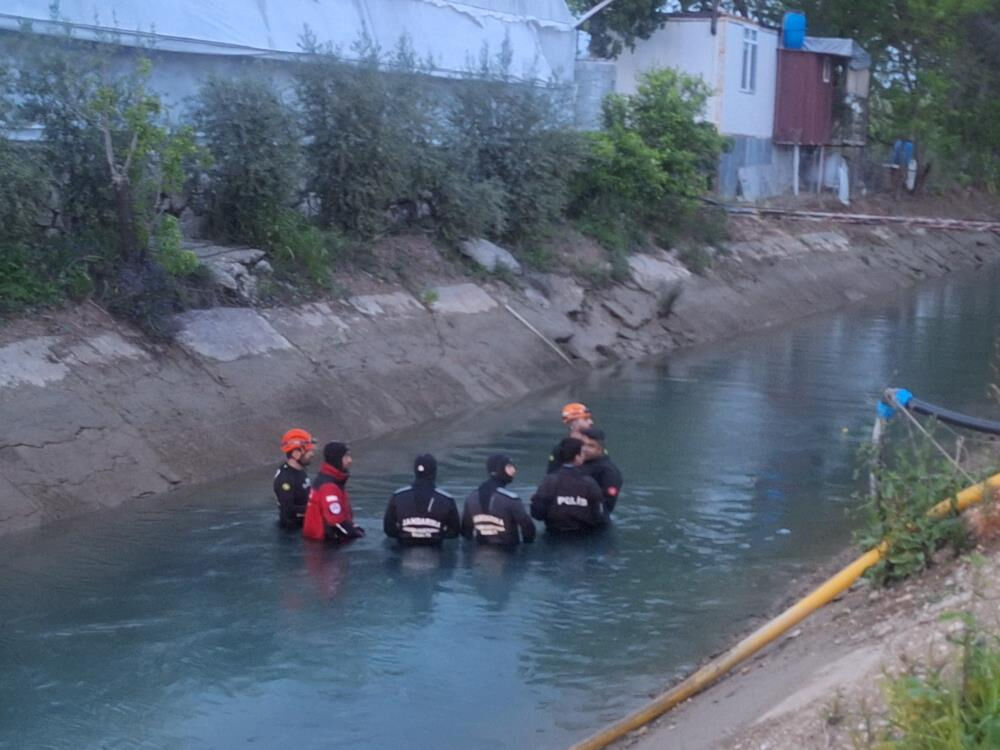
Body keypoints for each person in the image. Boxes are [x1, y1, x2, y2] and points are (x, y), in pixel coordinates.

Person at [531, 437, 608, 533]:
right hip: (584, 535)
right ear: (577, 457)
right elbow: (600, 515)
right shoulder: (590, 483)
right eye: (582, 453)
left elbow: (537, 513)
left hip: (554, 533)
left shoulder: (549, 481)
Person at [383, 454, 461, 545]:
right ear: (435, 472)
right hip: (435, 548)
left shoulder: (398, 496)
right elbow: (454, 533)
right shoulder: (446, 499)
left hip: (404, 547)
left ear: (415, 472)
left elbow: (389, 530)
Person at [462, 454, 535, 546]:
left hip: (478, 550)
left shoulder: (471, 497)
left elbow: (466, 532)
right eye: (509, 467)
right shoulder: (511, 500)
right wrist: (526, 547)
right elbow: (528, 529)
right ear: (500, 469)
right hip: (509, 552)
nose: (514, 470)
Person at [303, 441, 366, 543]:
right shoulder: (329, 487)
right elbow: (336, 522)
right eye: (346, 456)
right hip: (324, 546)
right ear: (337, 459)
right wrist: (357, 535)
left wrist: (353, 527)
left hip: (320, 542)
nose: (350, 460)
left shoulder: (331, 480)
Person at [273, 428, 316, 529]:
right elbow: (288, 509)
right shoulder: (285, 479)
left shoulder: (299, 469)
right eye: (309, 451)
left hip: (306, 522)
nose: (312, 454)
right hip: (292, 530)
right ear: (296, 453)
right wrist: (316, 508)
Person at [579, 427, 624, 513]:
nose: (584, 449)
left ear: (600, 449)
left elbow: (607, 504)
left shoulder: (608, 472)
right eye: (582, 444)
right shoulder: (578, 463)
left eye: (591, 446)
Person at [546, 402, 594, 473]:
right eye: (585, 419)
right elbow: (552, 474)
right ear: (573, 422)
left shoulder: (596, 447)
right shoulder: (560, 449)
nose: (591, 422)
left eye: (590, 418)